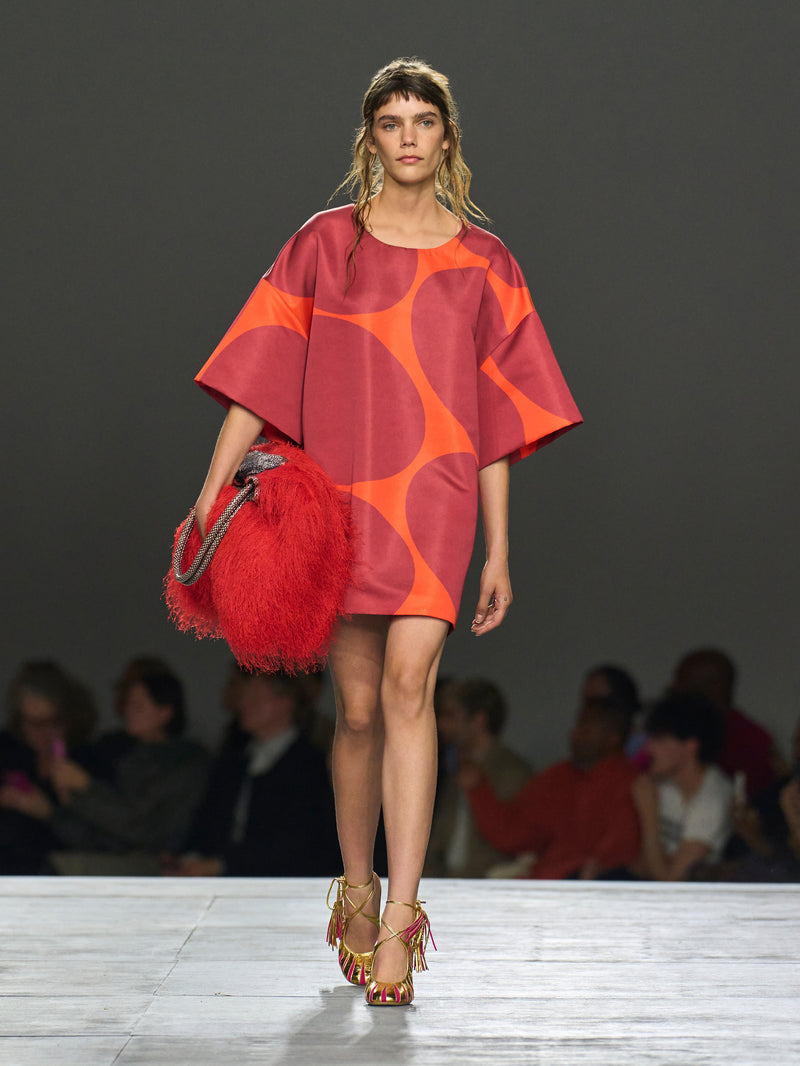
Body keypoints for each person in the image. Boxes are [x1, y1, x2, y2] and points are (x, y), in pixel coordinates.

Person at [190, 57, 581, 1005]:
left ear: (448, 136)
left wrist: (498, 549)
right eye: (392, 122)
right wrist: (209, 492)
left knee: (411, 689)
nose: (409, 137)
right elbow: (258, 369)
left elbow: (497, 418)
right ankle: (357, 885)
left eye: (424, 121)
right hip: (339, 499)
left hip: (436, 498)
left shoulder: (485, 262)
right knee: (358, 709)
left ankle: (403, 916)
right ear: (371, 137)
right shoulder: (325, 243)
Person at [10, 666, 210, 875]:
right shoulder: (124, 753)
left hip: (155, 864)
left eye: (137, 706)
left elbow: (137, 829)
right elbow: (102, 836)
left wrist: (84, 787)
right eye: (127, 703)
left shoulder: (185, 763)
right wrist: (57, 809)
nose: (127, 711)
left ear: (165, 713)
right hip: (109, 854)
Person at [167, 670, 338, 877]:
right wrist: (190, 857)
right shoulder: (233, 761)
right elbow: (205, 823)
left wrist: (221, 865)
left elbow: (299, 843)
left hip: (279, 883)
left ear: (286, 702)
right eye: (244, 696)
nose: (245, 704)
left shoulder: (309, 766)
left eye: (256, 697)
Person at [459, 693, 640, 879]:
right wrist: (479, 789)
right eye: (578, 725)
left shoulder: (630, 785)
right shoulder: (560, 776)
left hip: (585, 887)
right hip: (544, 881)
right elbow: (513, 834)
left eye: (586, 728)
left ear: (613, 737)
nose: (574, 733)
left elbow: (619, 851)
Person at [425, 678, 532, 878]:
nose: (441, 724)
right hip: (444, 882)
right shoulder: (450, 766)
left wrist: (479, 790)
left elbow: (514, 839)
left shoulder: (513, 771)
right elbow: (437, 842)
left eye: (450, 715)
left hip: (491, 883)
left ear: (479, 720)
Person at [0, 661, 97, 873]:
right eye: (32, 723)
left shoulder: (86, 761)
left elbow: (101, 842)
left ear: (68, 719)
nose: (42, 733)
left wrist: (49, 812)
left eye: (51, 722)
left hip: (58, 874)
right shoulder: (8, 750)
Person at [632, 691, 732, 880]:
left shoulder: (712, 799)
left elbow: (672, 881)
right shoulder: (663, 785)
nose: (648, 747)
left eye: (659, 739)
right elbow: (636, 865)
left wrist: (649, 814)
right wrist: (661, 861)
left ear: (690, 746)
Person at [671, 648, 786, 798]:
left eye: (685, 685)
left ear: (713, 687)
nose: (675, 690)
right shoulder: (681, 730)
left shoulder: (751, 742)